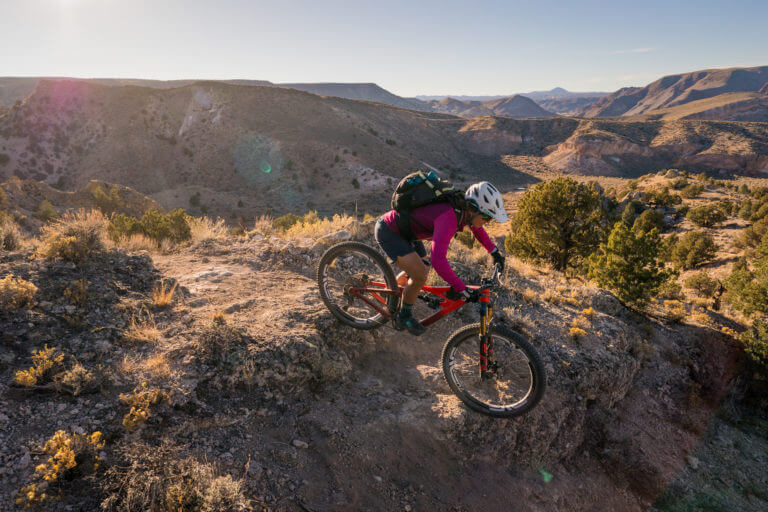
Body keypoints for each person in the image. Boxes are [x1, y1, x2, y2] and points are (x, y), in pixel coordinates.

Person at [374, 181, 508, 336]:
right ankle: (404, 316)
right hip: (389, 231)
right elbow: (438, 260)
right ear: (474, 210)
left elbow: (477, 229)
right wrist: (461, 287)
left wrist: (494, 252)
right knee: (420, 275)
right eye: (486, 217)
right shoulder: (450, 218)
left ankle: (390, 291)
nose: (487, 221)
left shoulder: (463, 211)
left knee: (423, 267)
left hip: (409, 232)